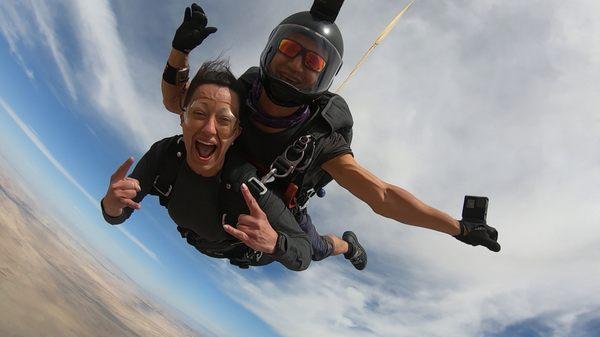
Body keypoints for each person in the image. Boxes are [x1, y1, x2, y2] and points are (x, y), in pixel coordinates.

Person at [161, 2, 501, 269]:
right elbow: (179, 103)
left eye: (313, 61)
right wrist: (180, 52)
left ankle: (349, 245)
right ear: (273, 48)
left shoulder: (320, 138)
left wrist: (459, 228)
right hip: (223, 195)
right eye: (291, 49)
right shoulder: (237, 94)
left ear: (326, 77)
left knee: (317, 248)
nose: (296, 64)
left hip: (280, 213)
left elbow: (382, 196)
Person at [101, 60, 312, 271]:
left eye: (224, 120)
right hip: (200, 239)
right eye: (199, 113)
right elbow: (118, 214)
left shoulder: (246, 185)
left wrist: (275, 243)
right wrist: (111, 204)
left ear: (235, 133)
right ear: (183, 118)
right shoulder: (165, 156)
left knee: (320, 247)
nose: (209, 129)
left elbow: (303, 251)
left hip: (242, 252)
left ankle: (344, 245)